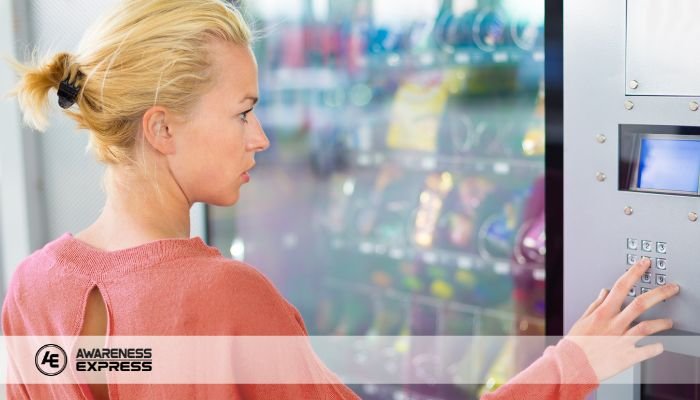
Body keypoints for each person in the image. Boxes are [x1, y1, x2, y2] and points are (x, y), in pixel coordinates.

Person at [2, 0, 679, 399]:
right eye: (242, 113)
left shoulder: (33, 286)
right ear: (162, 128)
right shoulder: (226, 301)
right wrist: (575, 363)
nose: (261, 138)